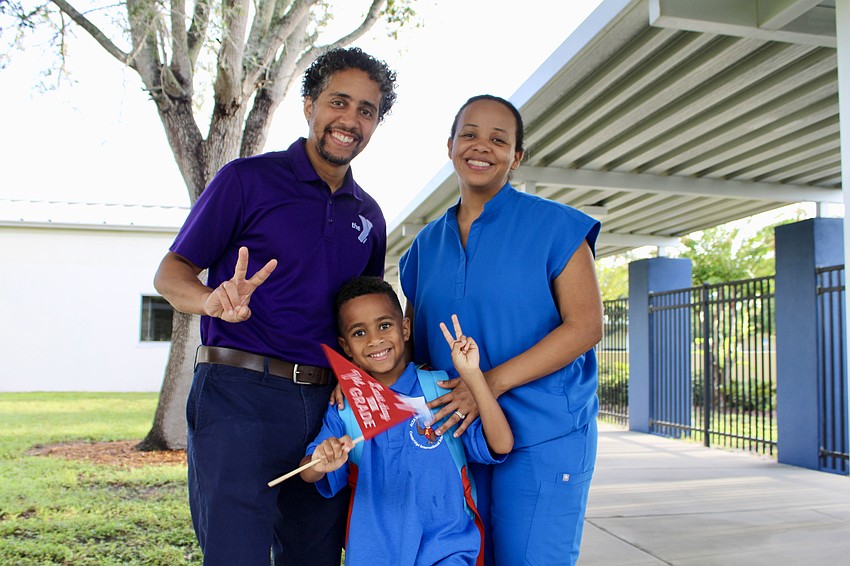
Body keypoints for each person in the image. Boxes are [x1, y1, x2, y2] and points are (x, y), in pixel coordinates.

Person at [152, 47, 398, 566]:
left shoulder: (370, 217)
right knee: (234, 555)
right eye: (339, 102)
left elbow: (363, 320)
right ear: (309, 104)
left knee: (314, 555)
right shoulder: (245, 180)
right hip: (238, 396)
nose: (350, 120)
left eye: (367, 111)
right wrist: (211, 302)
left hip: (327, 408)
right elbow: (170, 275)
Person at [398, 94, 603, 566]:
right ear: (450, 145)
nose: (481, 147)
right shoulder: (424, 247)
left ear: (517, 156)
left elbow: (586, 326)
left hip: (543, 436)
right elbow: (413, 350)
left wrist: (485, 385)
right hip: (456, 439)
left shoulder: (558, 227)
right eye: (469, 134)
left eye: (498, 139)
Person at [301, 276, 513, 565]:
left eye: (384, 326)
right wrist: (320, 461)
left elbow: (501, 444)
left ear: (405, 328)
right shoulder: (345, 407)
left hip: (448, 546)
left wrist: (474, 377)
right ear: (345, 346)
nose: (375, 339)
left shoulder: (441, 389)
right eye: (359, 333)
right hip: (374, 553)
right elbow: (308, 470)